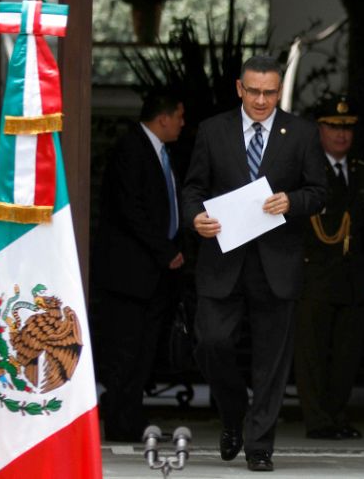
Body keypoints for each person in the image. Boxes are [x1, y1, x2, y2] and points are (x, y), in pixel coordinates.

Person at [181, 55, 327, 472]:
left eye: (270, 92)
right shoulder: (213, 130)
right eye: (254, 91)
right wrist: (195, 218)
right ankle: (233, 414)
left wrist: (292, 201)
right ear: (239, 88)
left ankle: (259, 445)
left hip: (276, 263)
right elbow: (192, 187)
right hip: (222, 260)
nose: (262, 100)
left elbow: (319, 191)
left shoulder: (300, 133)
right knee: (211, 342)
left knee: (272, 360)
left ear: (279, 91)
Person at [92, 89, 185, 442]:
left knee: (142, 352)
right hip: (129, 274)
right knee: (124, 350)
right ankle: (118, 421)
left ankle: (130, 417)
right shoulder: (131, 150)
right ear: (163, 118)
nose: (181, 123)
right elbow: (131, 210)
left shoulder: (161, 152)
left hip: (153, 275)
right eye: (179, 116)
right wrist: (165, 250)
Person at [294, 94, 364, 441]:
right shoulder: (305, 170)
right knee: (312, 352)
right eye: (333, 127)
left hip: (353, 275)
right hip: (313, 274)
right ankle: (317, 420)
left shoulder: (362, 172)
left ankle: (336, 414)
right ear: (319, 129)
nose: (341, 135)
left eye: (347, 128)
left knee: (346, 354)